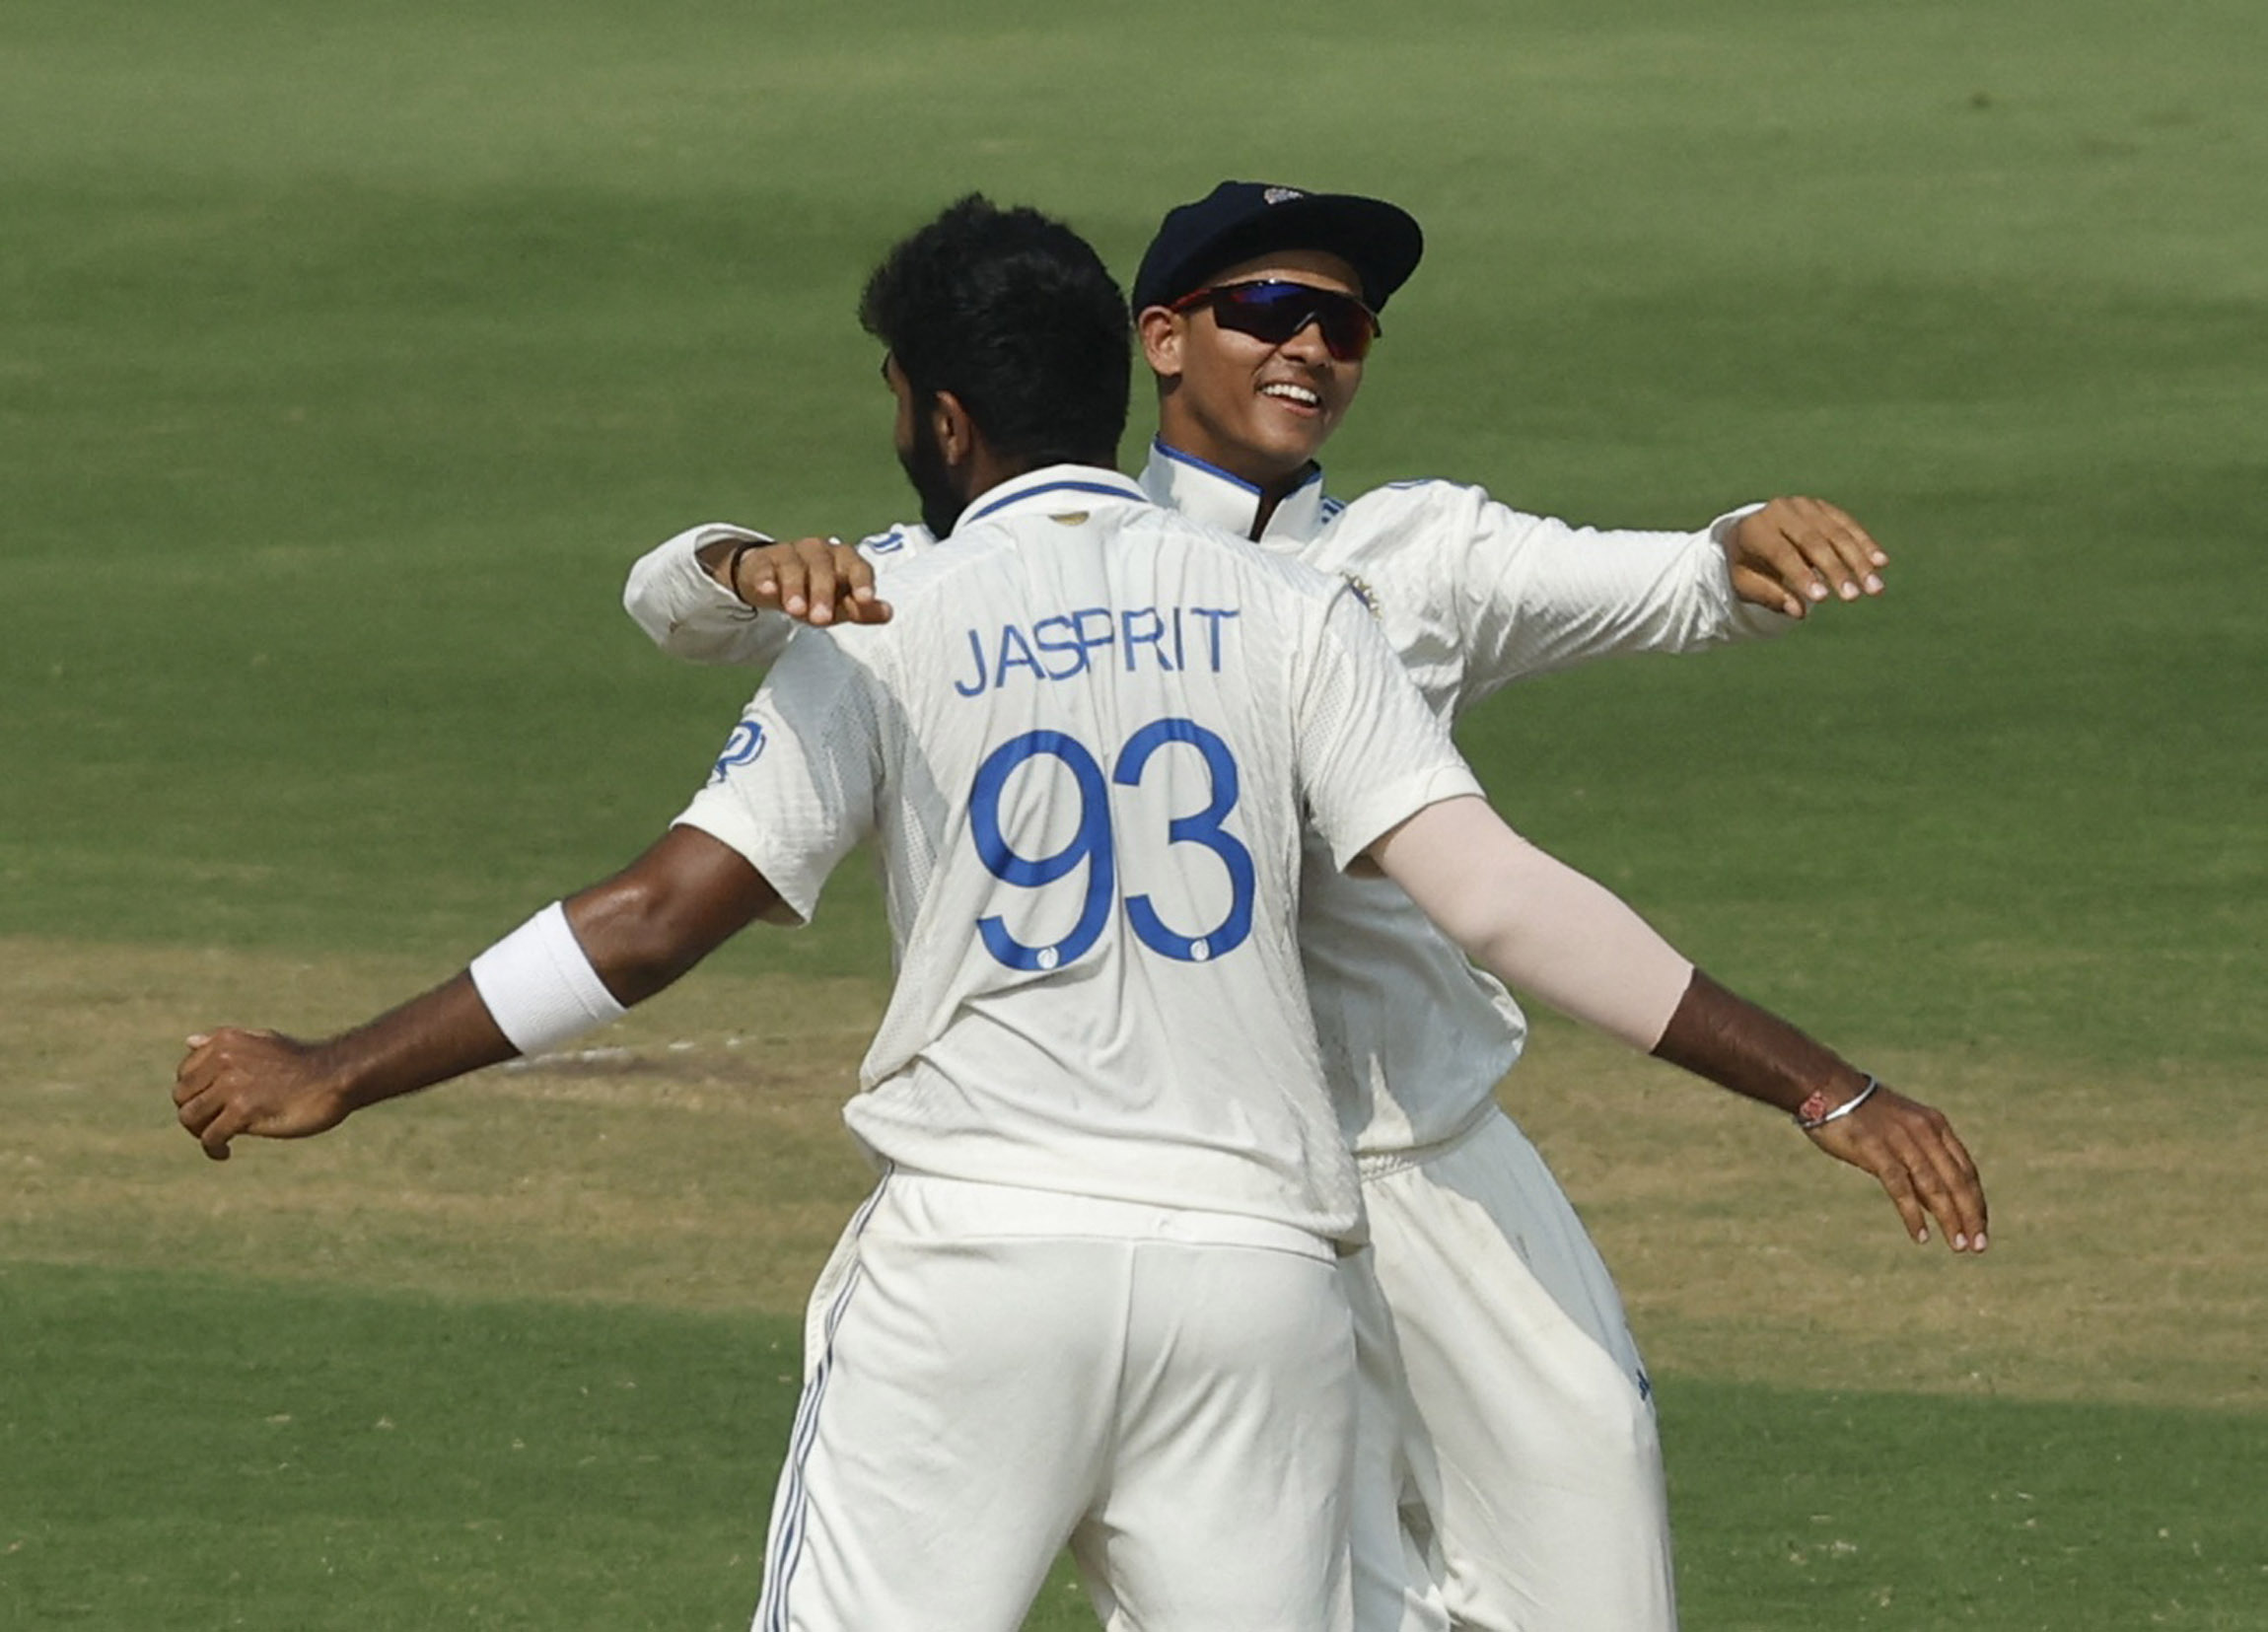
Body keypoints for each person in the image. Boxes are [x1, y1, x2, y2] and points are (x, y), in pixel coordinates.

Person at [617, 180, 1978, 1632]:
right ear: (1158, 339)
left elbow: (1674, 588)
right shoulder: (1034, 546)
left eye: (1346, 324)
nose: (1312, 349)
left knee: (1601, 1583)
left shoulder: (1419, 556)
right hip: (1220, 1208)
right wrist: (732, 553)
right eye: (1270, 309)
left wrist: (1735, 542)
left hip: (1437, 1165)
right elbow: (693, 606)